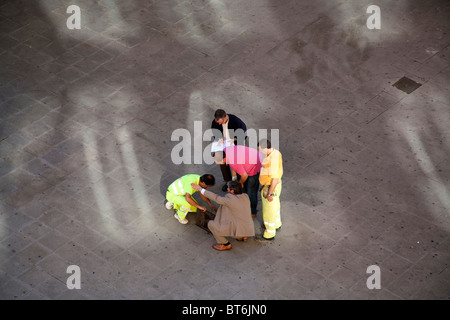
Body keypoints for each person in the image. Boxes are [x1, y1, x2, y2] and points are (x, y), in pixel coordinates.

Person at [191, 181, 255, 251]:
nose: (227, 189)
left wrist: (200, 189)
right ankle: (242, 236)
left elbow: (215, 197)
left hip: (237, 230)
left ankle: (225, 244)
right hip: (246, 228)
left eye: (228, 188)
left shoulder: (229, 200)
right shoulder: (245, 196)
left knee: (211, 225)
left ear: (232, 191)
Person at [213, 145, 262, 217]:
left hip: (255, 164)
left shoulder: (234, 162)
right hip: (251, 155)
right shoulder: (225, 151)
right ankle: (245, 204)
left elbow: (244, 175)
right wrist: (234, 178)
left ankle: (252, 212)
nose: (217, 163)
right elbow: (233, 166)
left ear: (224, 159)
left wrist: (240, 183)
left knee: (251, 192)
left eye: (218, 162)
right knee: (244, 189)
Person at [211, 109, 247, 191]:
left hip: (235, 144)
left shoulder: (236, 121)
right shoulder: (216, 122)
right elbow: (214, 131)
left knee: (236, 163)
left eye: (220, 122)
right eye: (218, 122)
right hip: (223, 145)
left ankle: (237, 182)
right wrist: (218, 138)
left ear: (225, 117)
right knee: (222, 162)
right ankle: (228, 182)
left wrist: (235, 139)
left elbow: (243, 133)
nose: (219, 124)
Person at [258, 139, 283, 241]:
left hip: (270, 186)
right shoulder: (276, 153)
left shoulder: (273, 160)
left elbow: (275, 179)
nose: (260, 151)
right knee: (275, 205)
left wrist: (269, 194)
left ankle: (269, 232)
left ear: (266, 148)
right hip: (273, 186)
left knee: (268, 210)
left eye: (261, 150)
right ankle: (277, 223)